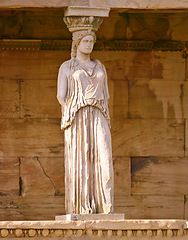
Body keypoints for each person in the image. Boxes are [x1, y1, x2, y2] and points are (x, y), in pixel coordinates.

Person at [57, 29, 113, 214]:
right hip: (77, 114)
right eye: (85, 41)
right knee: (80, 157)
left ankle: (104, 206)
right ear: (77, 43)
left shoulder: (100, 66)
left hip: (99, 113)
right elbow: (60, 95)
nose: (89, 44)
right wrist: (69, 112)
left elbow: (106, 94)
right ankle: (81, 207)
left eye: (91, 41)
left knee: (104, 157)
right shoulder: (67, 66)